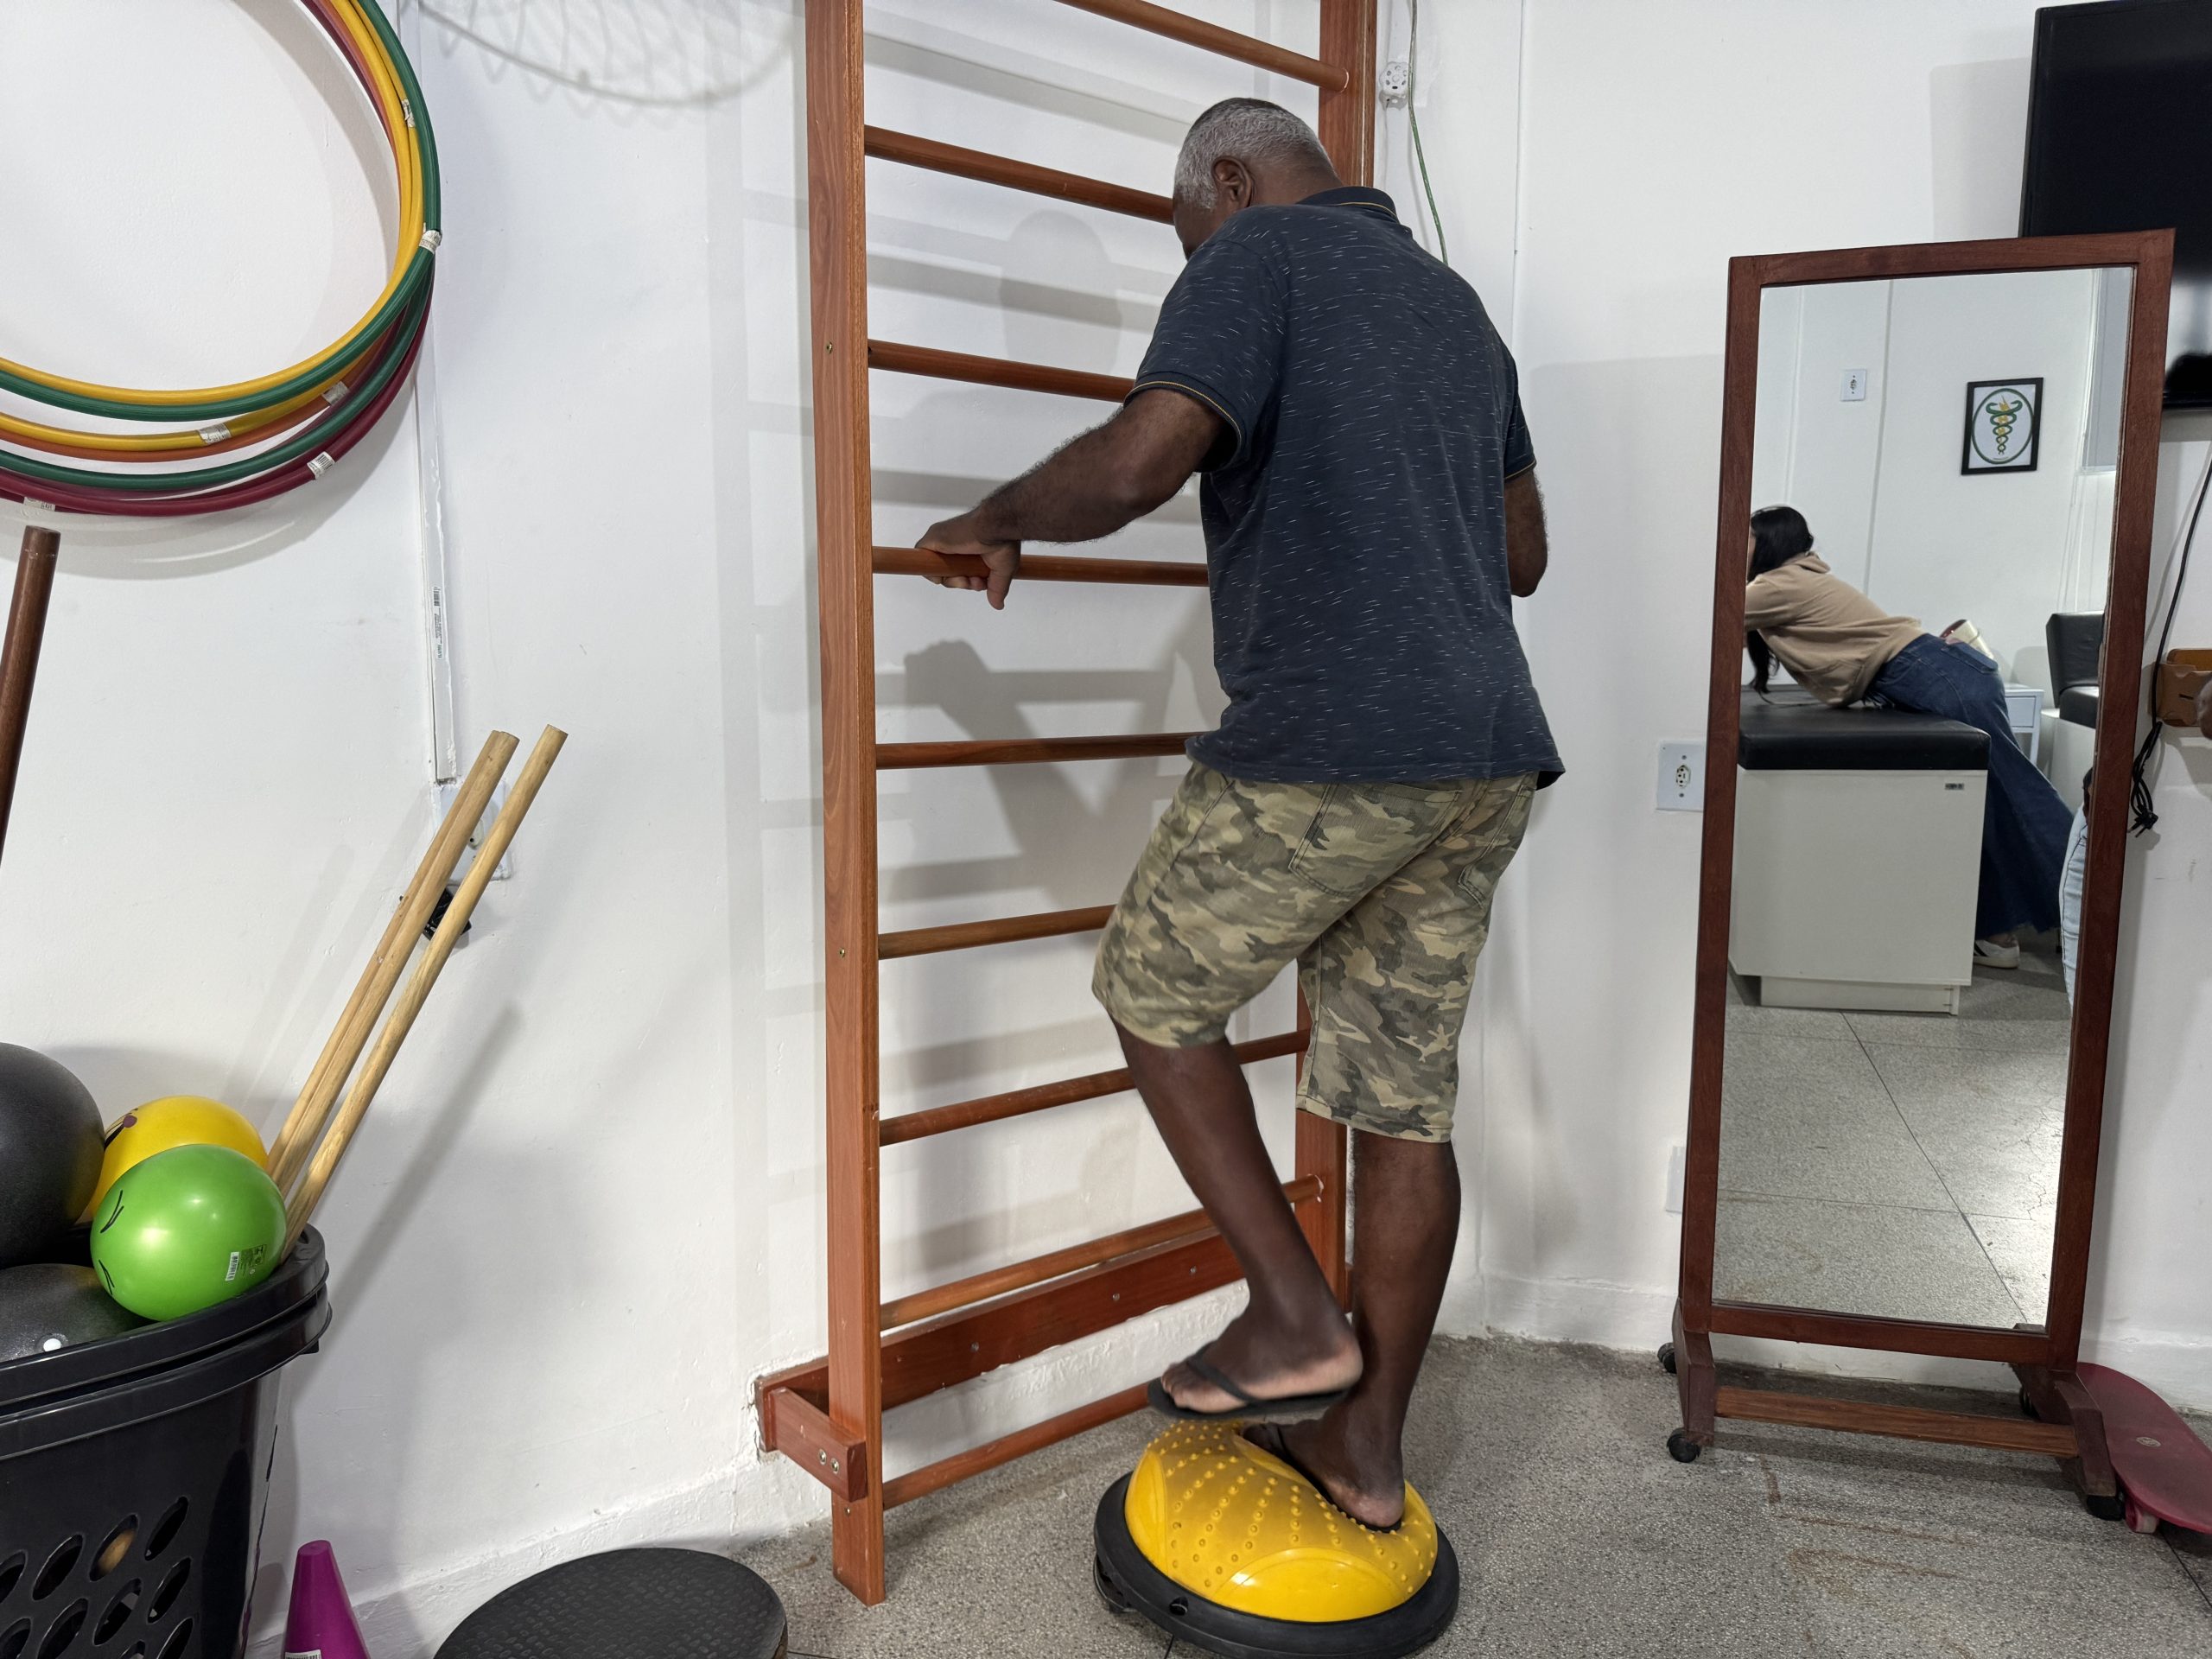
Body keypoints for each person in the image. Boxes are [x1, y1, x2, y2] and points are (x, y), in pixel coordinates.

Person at [912, 98, 1559, 1529]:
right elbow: (1521, 555)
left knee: (1152, 990)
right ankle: (1366, 1452)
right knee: (1399, 1106)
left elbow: (1140, 463)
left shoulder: (1257, 256)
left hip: (1337, 743)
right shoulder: (1456, 308)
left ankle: (1291, 1316)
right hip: (1485, 757)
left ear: (1227, 180)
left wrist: (993, 516)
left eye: (1186, 237)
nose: (1193, 263)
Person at [1743, 505, 2071, 965]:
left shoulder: (1779, 584)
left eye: (1746, 537)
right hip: (1935, 672)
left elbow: (1709, 612)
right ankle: (1997, 933)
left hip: (1932, 674)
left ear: (1770, 542)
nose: (1737, 547)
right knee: (1984, 805)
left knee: (2014, 795)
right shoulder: (1795, 579)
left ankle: (2092, 903)